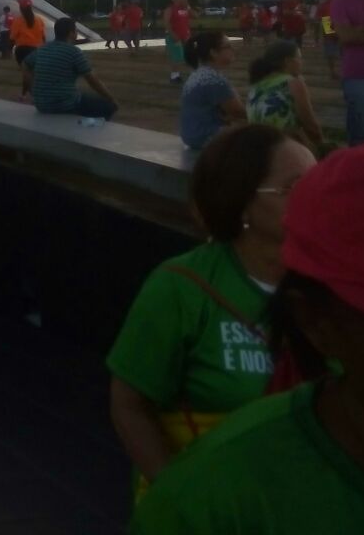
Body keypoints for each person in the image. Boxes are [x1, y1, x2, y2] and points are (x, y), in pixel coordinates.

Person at [132, 143, 364, 533]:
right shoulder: (211, 504)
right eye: (292, 187)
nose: (306, 198)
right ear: (315, 323)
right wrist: (166, 477)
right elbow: (130, 403)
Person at [108, 124, 316, 499]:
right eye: (295, 187)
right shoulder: (180, 288)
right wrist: (177, 495)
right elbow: (129, 403)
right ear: (243, 202)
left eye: (319, 183)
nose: (316, 198)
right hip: (210, 502)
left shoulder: (330, 288)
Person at [22, 17, 118, 119]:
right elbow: (92, 80)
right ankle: (87, 127)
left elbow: (25, 63)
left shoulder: (43, 49)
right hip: (64, 104)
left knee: (82, 96)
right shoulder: (73, 52)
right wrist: (111, 99)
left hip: (41, 104)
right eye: (75, 30)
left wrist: (32, 88)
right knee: (109, 107)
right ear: (71, 33)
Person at [246, 40, 324, 150]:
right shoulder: (293, 83)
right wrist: (322, 146)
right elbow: (310, 124)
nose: (301, 62)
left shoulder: (255, 86)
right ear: (287, 61)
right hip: (282, 147)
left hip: (259, 146)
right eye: (299, 58)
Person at [178, 30, 246, 150]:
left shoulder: (198, 74)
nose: (232, 49)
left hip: (192, 136)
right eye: (228, 46)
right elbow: (239, 111)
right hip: (208, 137)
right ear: (213, 53)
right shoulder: (214, 79)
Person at [331, 0, 364, 146]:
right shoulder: (339, 2)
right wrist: (342, 34)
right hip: (355, 72)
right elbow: (344, 36)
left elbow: (351, 34)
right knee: (361, 117)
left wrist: (357, 31)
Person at [9, 0, 46, 101]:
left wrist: (10, 49)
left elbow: (12, 37)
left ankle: (33, 96)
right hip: (36, 50)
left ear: (21, 8)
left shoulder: (18, 20)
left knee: (27, 74)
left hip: (22, 50)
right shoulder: (39, 20)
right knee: (31, 74)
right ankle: (24, 95)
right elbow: (43, 37)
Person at [163, 0, 194, 84]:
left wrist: (188, 7)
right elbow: (166, 22)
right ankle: (174, 76)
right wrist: (172, 34)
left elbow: (196, 15)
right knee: (176, 56)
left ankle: (190, 74)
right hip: (174, 35)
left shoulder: (186, 9)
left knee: (189, 54)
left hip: (186, 35)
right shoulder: (170, 9)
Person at [315, 0, 339, 80]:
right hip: (327, 23)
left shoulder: (339, 3)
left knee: (338, 51)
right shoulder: (323, 5)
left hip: (338, 25)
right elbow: (317, 18)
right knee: (331, 51)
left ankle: (337, 71)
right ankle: (333, 71)